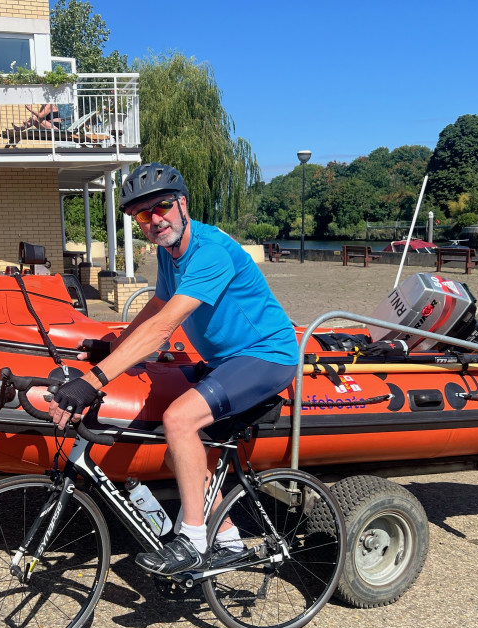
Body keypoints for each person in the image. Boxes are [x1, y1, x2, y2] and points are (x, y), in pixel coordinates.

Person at [48, 162, 298, 575]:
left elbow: (164, 328)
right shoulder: (170, 253)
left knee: (178, 419)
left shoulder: (211, 252)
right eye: (142, 215)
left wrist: (93, 381)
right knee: (174, 456)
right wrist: (116, 341)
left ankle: (193, 541)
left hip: (267, 355)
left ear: (182, 203)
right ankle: (228, 537)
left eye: (162, 207)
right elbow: (157, 305)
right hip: (225, 361)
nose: (155, 220)